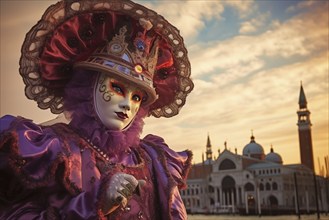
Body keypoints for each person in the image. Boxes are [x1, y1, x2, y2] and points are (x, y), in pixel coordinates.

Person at [0, 0, 194, 219]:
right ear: (88, 85)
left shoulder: (154, 161)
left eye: (137, 97)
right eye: (117, 88)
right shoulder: (54, 152)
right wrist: (95, 204)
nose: (127, 105)